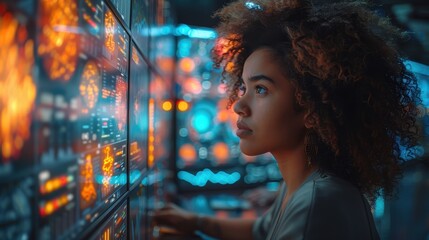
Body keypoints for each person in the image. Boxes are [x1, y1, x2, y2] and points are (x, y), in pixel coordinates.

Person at [153, 0, 421, 239]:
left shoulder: (318, 204)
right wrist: (195, 222)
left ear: (312, 109)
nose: (239, 106)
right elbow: (260, 231)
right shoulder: (301, 183)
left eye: (261, 89)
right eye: (244, 88)